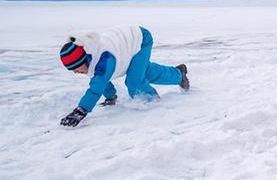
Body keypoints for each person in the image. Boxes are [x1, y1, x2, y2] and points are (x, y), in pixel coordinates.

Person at [59, 25, 189, 127]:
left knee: (135, 82)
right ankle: (179, 75)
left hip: (140, 39)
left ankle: (152, 102)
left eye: (75, 68)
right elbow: (101, 81)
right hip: (124, 47)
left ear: (82, 60)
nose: (75, 72)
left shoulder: (104, 60)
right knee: (144, 72)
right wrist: (111, 97)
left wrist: (81, 110)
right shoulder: (90, 61)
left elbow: (97, 86)